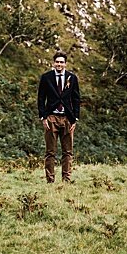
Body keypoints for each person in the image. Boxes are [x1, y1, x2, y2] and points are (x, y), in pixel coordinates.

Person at [36, 52, 81, 183]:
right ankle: (50, 180)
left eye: (62, 62)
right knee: (50, 151)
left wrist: (75, 118)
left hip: (67, 118)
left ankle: (66, 180)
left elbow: (76, 98)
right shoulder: (46, 77)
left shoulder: (72, 78)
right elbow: (41, 98)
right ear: (53, 63)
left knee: (68, 151)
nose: (59, 64)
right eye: (57, 62)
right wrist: (43, 117)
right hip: (52, 117)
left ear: (65, 64)